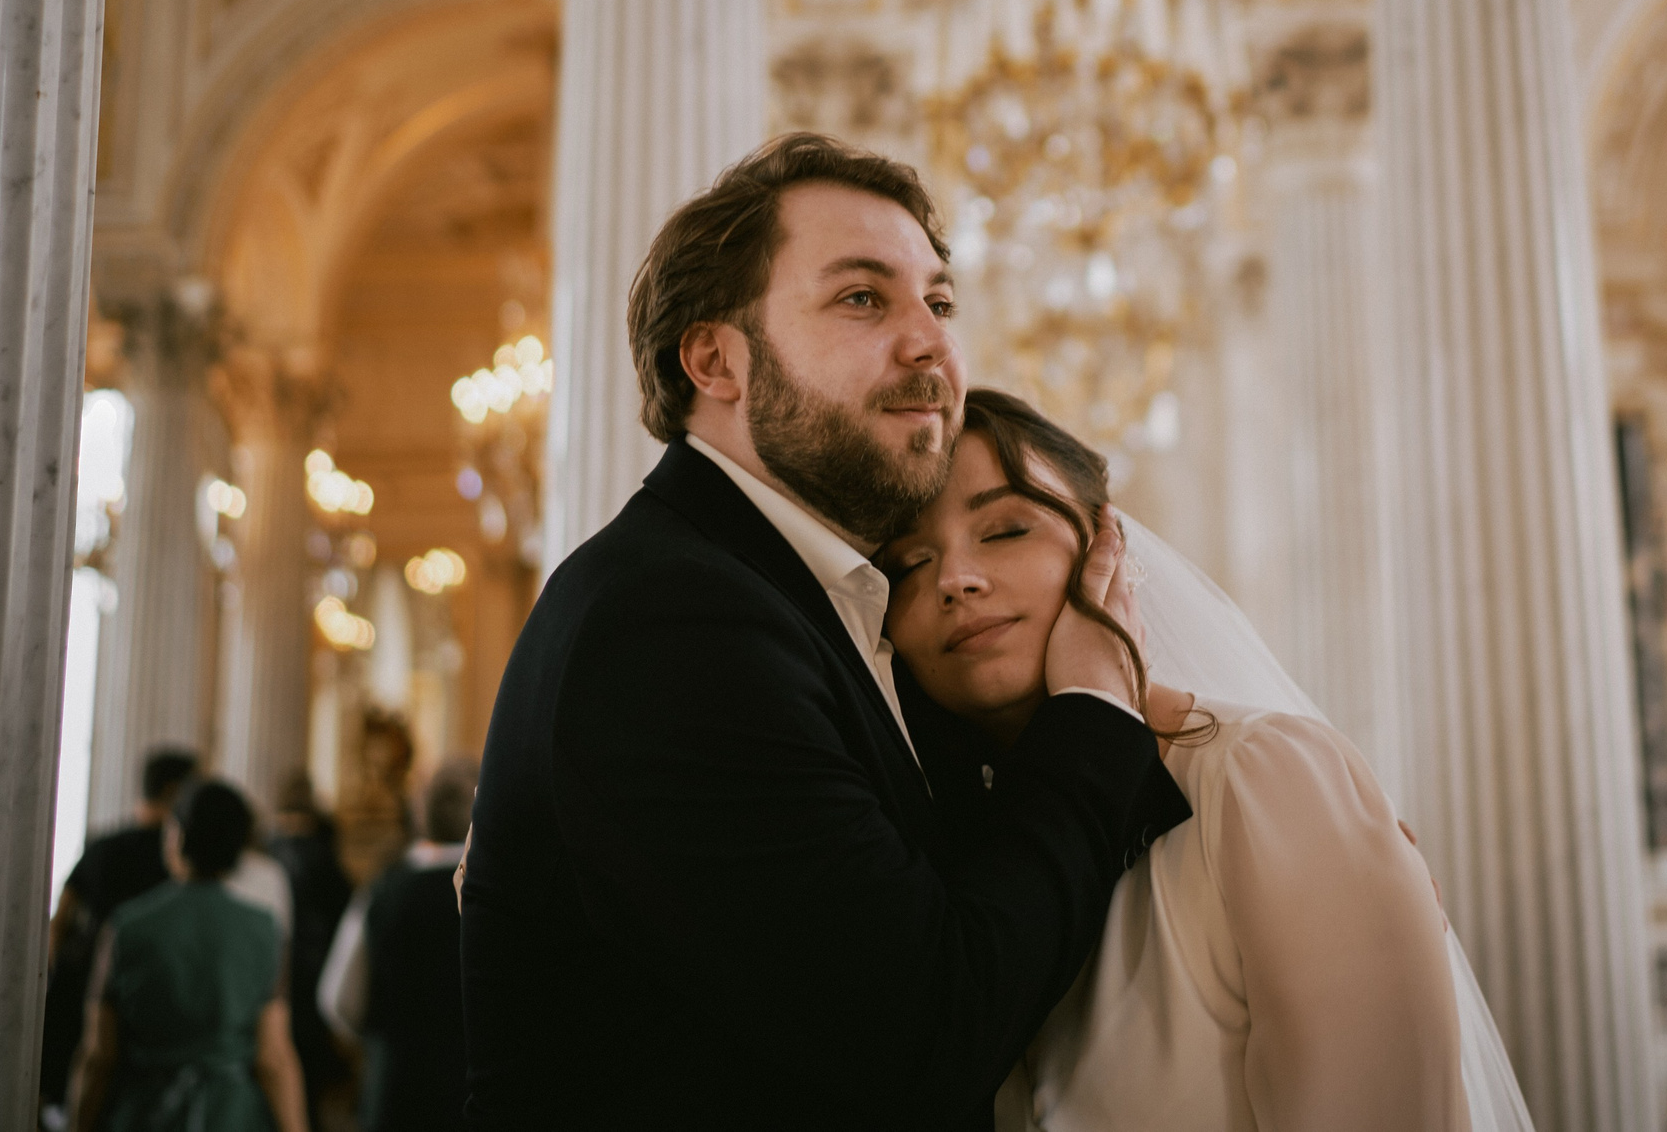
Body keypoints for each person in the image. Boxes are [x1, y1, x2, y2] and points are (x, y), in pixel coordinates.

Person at [459, 134, 1190, 1131]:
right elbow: (926, 1030)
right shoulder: (671, 624)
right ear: (717, 359)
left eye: (938, 302)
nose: (930, 345)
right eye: (862, 298)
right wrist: (1094, 710)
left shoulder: (807, 603)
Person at [881, 390, 1528, 1132]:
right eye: (908, 563)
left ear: (1107, 545)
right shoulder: (951, 863)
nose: (954, 578)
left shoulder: (1266, 777)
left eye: (1006, 529)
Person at [66, 780, 312, 1132]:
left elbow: (98, 1054)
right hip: (230, 1115)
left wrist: (78, 1123)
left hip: (146, 1112)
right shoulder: (264, 931)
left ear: (176, 836)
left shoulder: (126, 927)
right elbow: (274, 1057)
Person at [319, 761, 478, 1132]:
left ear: (421, 815)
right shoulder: (498, 897)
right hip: (474, 1093)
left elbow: (340, 999)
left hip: (397, 1090)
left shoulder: (385, 890)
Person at [43, 747, 202, 1116]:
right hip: (150, 1007)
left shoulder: (101, 846)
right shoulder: (178, 862)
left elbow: (58, 923)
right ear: (176, 792)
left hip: (82, 998)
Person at [266, 771, 353, 1125]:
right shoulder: (328, 858)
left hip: (274, 974)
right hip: (316, 974)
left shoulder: (265, 854)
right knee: (310, 1077)